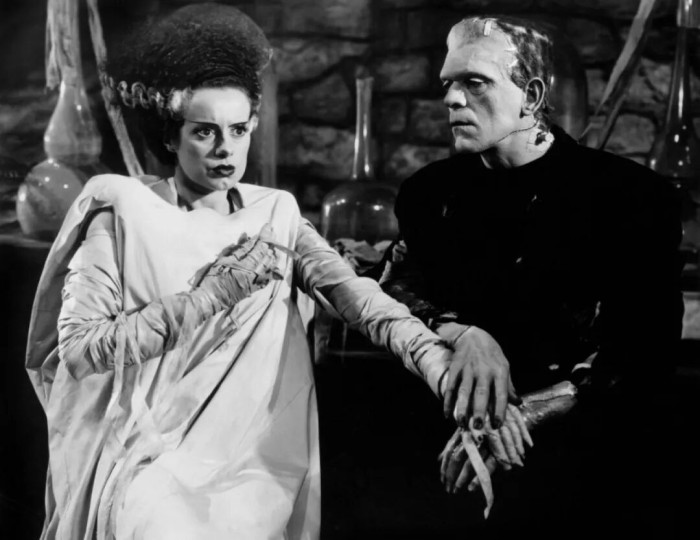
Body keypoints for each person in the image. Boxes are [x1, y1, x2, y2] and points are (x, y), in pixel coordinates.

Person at [24, 5, 522, 539]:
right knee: (153, 519)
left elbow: (363, 302)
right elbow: (79, 351)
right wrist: (209, 297)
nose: (225, 149)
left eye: (238, 130)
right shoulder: (121, 214)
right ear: (171, 136)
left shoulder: (275, 215)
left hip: (248, 454)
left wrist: (447, 374)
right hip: (147, 451)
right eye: (204, 132)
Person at [381, 15, 683, 536]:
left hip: (588, 459)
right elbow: (394, 286)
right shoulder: (428, 193)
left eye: (475, 82)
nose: (452, 99)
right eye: (448, 84)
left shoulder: (631, 197)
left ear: (532, 95)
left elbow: (644, 348)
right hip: (446, 451)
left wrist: (514, 414)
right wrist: (463, 333)